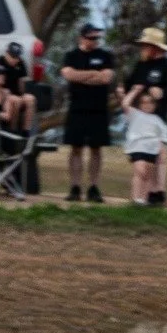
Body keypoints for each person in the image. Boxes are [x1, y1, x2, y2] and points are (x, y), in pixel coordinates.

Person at [123, 27, 167, 207]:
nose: (143, 48)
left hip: (158, 117)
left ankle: (158, 191)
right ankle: (143, 194)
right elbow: (130, 84)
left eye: (146, 45)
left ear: (155, 47)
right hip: (140, 118)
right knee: (144, 158)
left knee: (159, 154)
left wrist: (162, 92)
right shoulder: (141, 65)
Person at [59, 23, 116, 203]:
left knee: (96, 148)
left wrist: (82, 77)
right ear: (82, 38)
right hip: (77, 108)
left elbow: (106, 78)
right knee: (76, 148)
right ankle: (75, 186)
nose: (94, 41)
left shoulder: (105, 56)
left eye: (97, 38)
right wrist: (92, 74)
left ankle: (93, 187)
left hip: (98, 109)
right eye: (91, 38)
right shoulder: (71, 56)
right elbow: (69, 75)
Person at [122, 87, 167, 207]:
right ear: (139, 104)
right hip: (137, 147)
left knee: (148, 173)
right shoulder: (134, 114)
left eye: (150, 102)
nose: (147, 105)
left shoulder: (157, 120)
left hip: (152, 149)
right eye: (144, 102)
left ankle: (143, 199)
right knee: (140, 170)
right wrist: (135, 91)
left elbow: (162, 137)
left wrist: (162, 150)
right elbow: (125, 103)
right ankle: (135, 197)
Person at [0, 41, 37, 132]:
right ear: (7, 53)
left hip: (17, 93)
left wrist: (25, 93)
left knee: (30, 99)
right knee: (15, 100)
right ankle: (13, 129)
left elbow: (22, 82)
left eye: (17, 57)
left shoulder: (20, 64)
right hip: (4, 92)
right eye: (12, 57)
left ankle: (26, 130)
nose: (15, 60)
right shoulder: (0, 62)